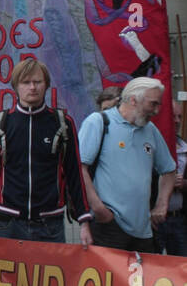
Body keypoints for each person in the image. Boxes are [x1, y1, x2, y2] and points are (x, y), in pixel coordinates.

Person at [0, 61, 91, 243]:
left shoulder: (64, 123)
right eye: (26, 82)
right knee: (4, 273)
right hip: (7, 222)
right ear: (16, 86)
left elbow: (75, 175)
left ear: (47, 85)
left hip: (50, 224)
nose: (32, 87)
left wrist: (84, 221)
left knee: (52, 272)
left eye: (38, 82)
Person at [79, 77, 176, 251]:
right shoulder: (99, 122)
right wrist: (98, 207)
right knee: (109, 278)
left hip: (143, 230)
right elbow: (80, 168)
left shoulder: (150, 130)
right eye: (153, 104)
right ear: (133, 100)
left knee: (140, 279)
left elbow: (169, 170)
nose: (156, 110)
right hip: (108, 226)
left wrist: (162, 205)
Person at [156, 99, 186, 257]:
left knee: (182, 268)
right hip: (155, 220)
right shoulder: (151, 145)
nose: (177, 121)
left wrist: (184, 184)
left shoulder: (185, 149)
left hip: (178, 219)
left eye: (180, 117)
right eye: (173, 116)